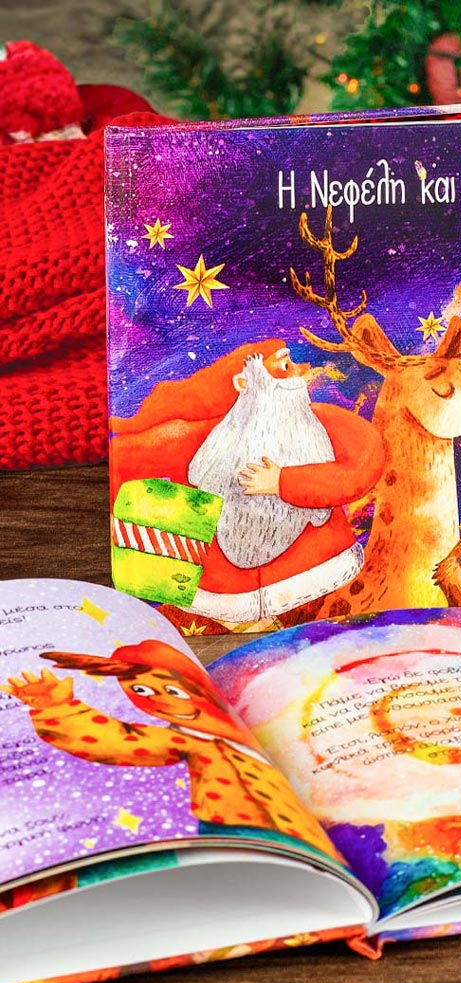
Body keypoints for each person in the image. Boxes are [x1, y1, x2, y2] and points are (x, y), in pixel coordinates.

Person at [109, 339, 385, 625]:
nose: (302, 370)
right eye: (285, 366)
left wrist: (284, 482)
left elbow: (364, 466)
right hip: (226, 602)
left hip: (322, 578)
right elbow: (130, 457)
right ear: (245, 383)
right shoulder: (212, 437)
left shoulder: (320, 423)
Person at [2, 640, 338, 858]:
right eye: (142, 692)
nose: (161, 700)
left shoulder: (230, 731)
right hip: (239, 831)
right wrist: (58, 707)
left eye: (171, 690)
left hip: (295, 831)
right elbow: (117, 740)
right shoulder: (192, 739)